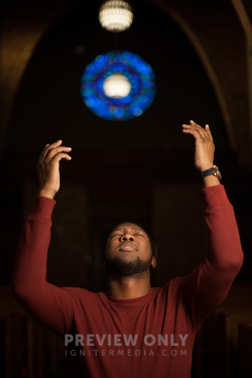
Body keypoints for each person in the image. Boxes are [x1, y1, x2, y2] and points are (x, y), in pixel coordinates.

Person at [11, 121, 244, 378]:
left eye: (137, 234)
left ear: (153, 260)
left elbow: (228, 260)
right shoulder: (77, 307)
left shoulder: (182, 300)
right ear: (103, 262)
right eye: (117, 235)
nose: (127, 235)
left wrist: (208, 171)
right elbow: (26, 288)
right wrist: (46, 191)